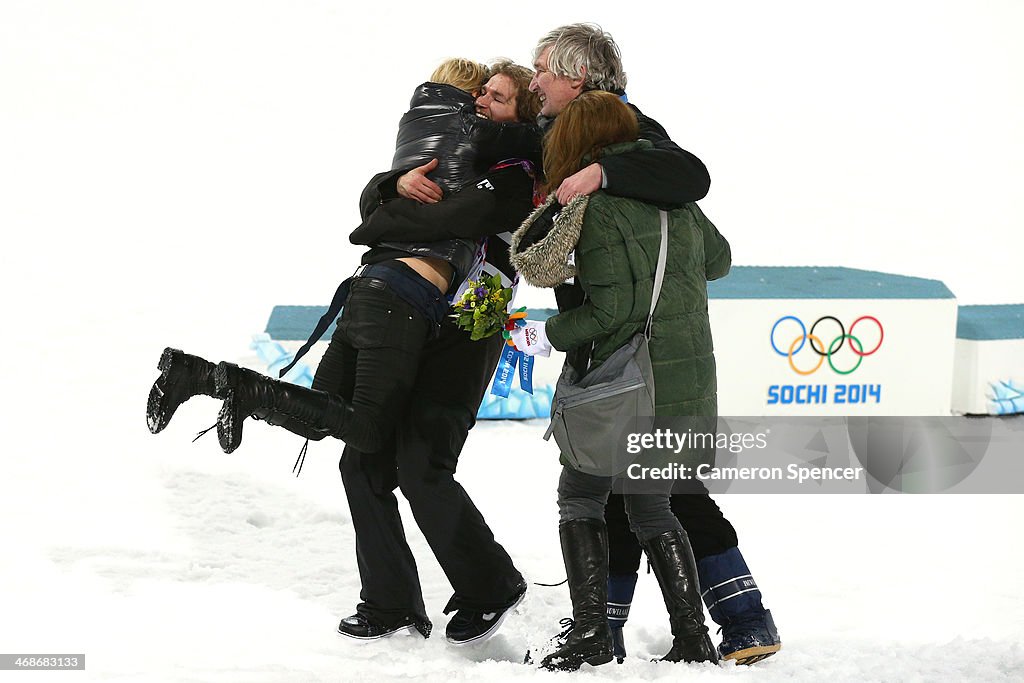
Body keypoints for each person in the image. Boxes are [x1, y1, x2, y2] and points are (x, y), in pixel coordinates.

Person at [146, 59, 542, 644]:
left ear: (520, 114)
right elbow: (378, 201)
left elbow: (457, 214)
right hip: (419, 312)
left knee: (422, 466)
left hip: (465, 333)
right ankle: (390, 604)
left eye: (498, 97)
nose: (482, 102)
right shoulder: (451, 152)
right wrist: (393, 186)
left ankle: (491, 584)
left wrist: (390, 210)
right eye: (479, 92)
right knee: (361, 461)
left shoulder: (515, 167)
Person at [524, 24, 781, 666]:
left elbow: (688, 175)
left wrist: (600, 178)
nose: (533, 85)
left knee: (633, 494)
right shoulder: (607, 161)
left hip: (630, 362)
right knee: (643, 494)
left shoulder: (629, 154)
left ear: (577, 82)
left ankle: (636, 628)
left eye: (542, 73)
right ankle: (689, 628)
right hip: (677, 365)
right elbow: (716, 257)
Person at [509, 89, 726, 671]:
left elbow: (612, 315)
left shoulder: (600, 210)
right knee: (653, 506)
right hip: (688, 374)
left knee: (580, 493)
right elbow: (720, 259)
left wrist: (544, 334)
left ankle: (592, 634)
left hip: (631, 378)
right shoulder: (677, 201)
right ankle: (693, 637)